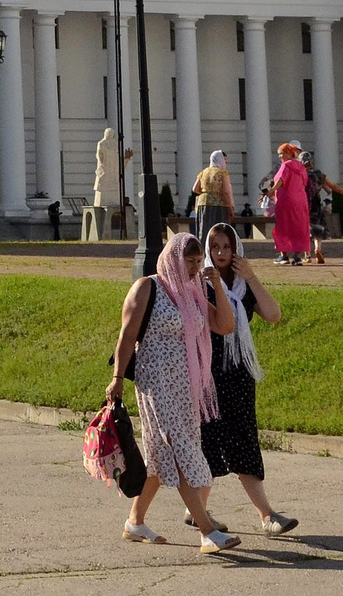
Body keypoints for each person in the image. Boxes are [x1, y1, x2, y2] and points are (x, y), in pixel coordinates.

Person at [105, 231, 239, 554]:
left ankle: (134, 522)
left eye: (197, 261)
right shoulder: (147, 287)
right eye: (188, 261)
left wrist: (217, 285)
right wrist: (117, 378)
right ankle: (207, 531)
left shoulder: (192, 292)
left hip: (183, 388)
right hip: (155, 385)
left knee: (159, 457)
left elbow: (225, 325)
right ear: (172, 258)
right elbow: (127, 337)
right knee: (177, 449)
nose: (194, 268)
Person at [196, 226, 296, 535]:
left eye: (227, 246)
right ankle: (198, 510)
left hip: (239, 374)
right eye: (215, 247)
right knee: (209, 443)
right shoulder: (201, 284)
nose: (221, 253)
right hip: (208, 373)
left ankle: (266, 515)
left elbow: (273, 314)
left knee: (244, 441)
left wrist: (251, 276)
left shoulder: (243, 286)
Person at [269, 145, 312, 266]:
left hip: (286, 199)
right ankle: (298, 257)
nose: (280, 156)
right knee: (299, 227)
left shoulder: (286, 165)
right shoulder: (301, 167)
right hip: (301, 200)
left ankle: (284, 256)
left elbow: (281, 180)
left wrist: (272, 190)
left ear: (289, 154)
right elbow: (304, 182)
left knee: (283, 226)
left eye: (282, 153)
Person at [190, 152, 234, 242]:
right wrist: (230, 207)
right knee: (220, 230)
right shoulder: (222, 173)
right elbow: (225, 192)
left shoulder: (204, 171)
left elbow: (195, 188)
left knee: (204, 230)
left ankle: (203, 251)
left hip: (202, 204)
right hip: (219, 205)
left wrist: (207, 193)